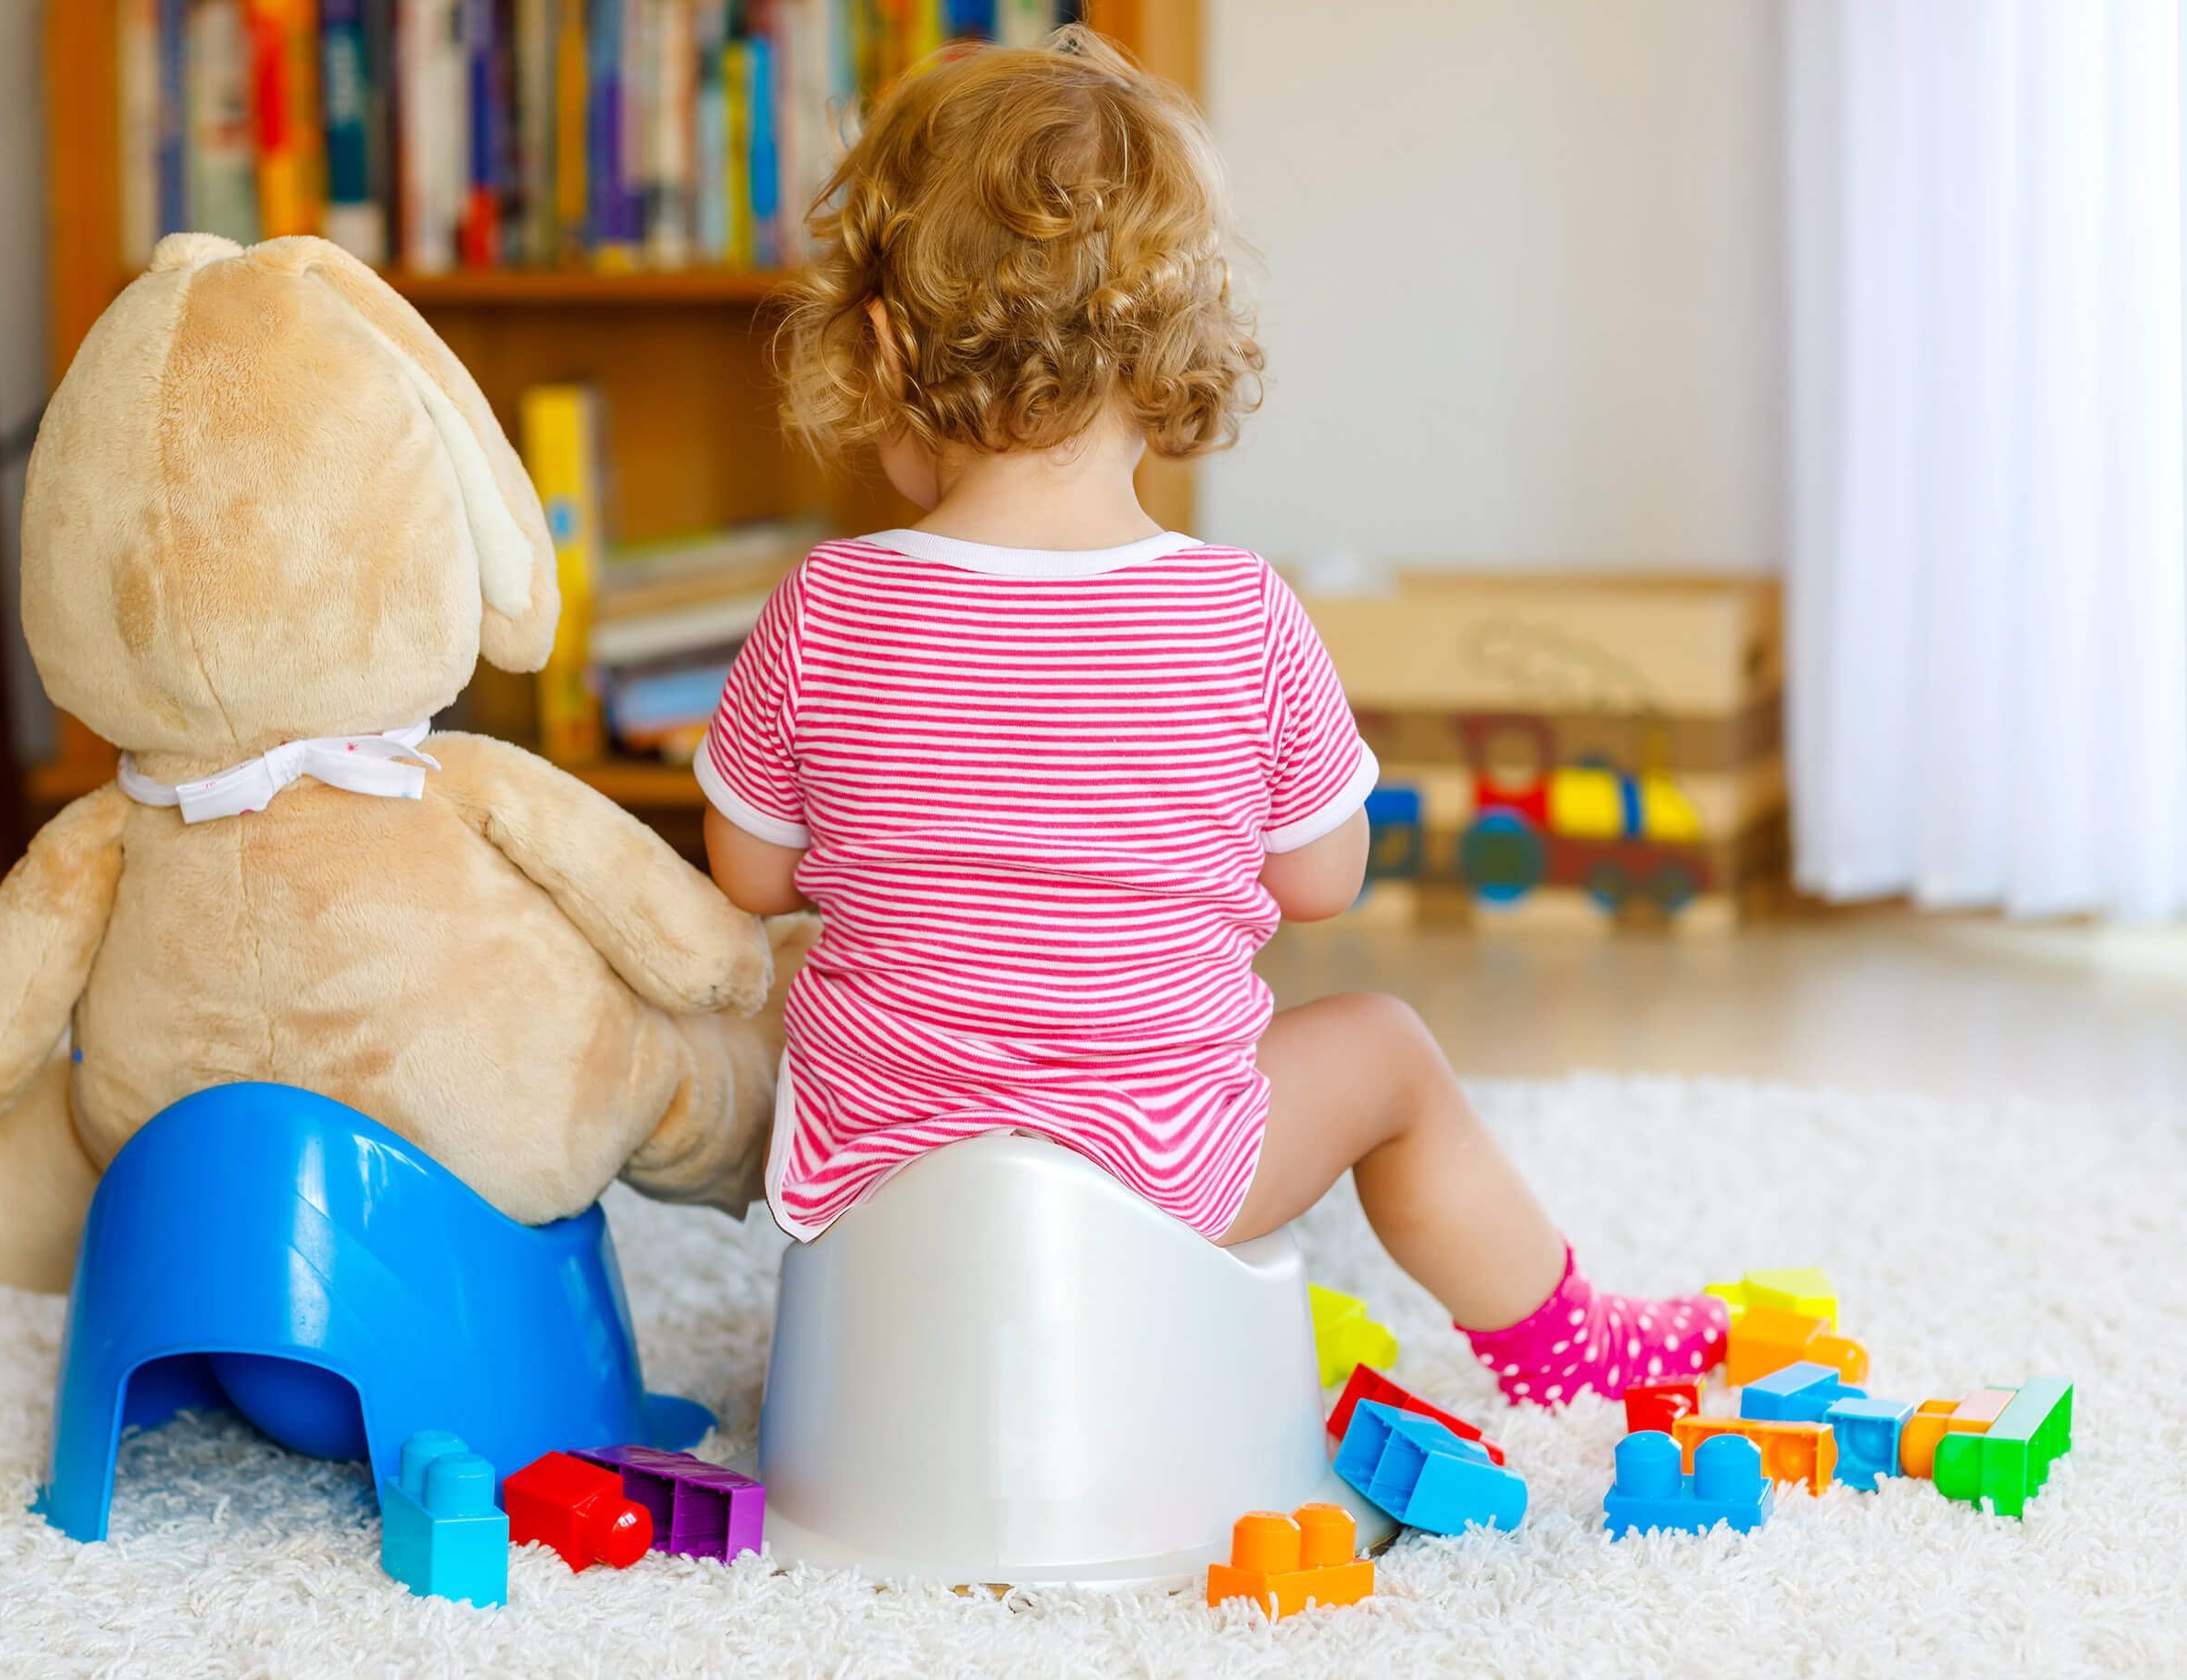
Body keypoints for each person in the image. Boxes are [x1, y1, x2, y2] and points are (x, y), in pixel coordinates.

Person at [694, 27, 1721, 1405]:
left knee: (802, 992)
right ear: (1165, 350)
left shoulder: (826, 601)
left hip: (879, 1177)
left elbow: (750, 873)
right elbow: (1321, 878)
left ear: (878, 343)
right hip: (1163, 1175)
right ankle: (1563, 1341)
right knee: (1388, 1052)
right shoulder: (1239, 613)